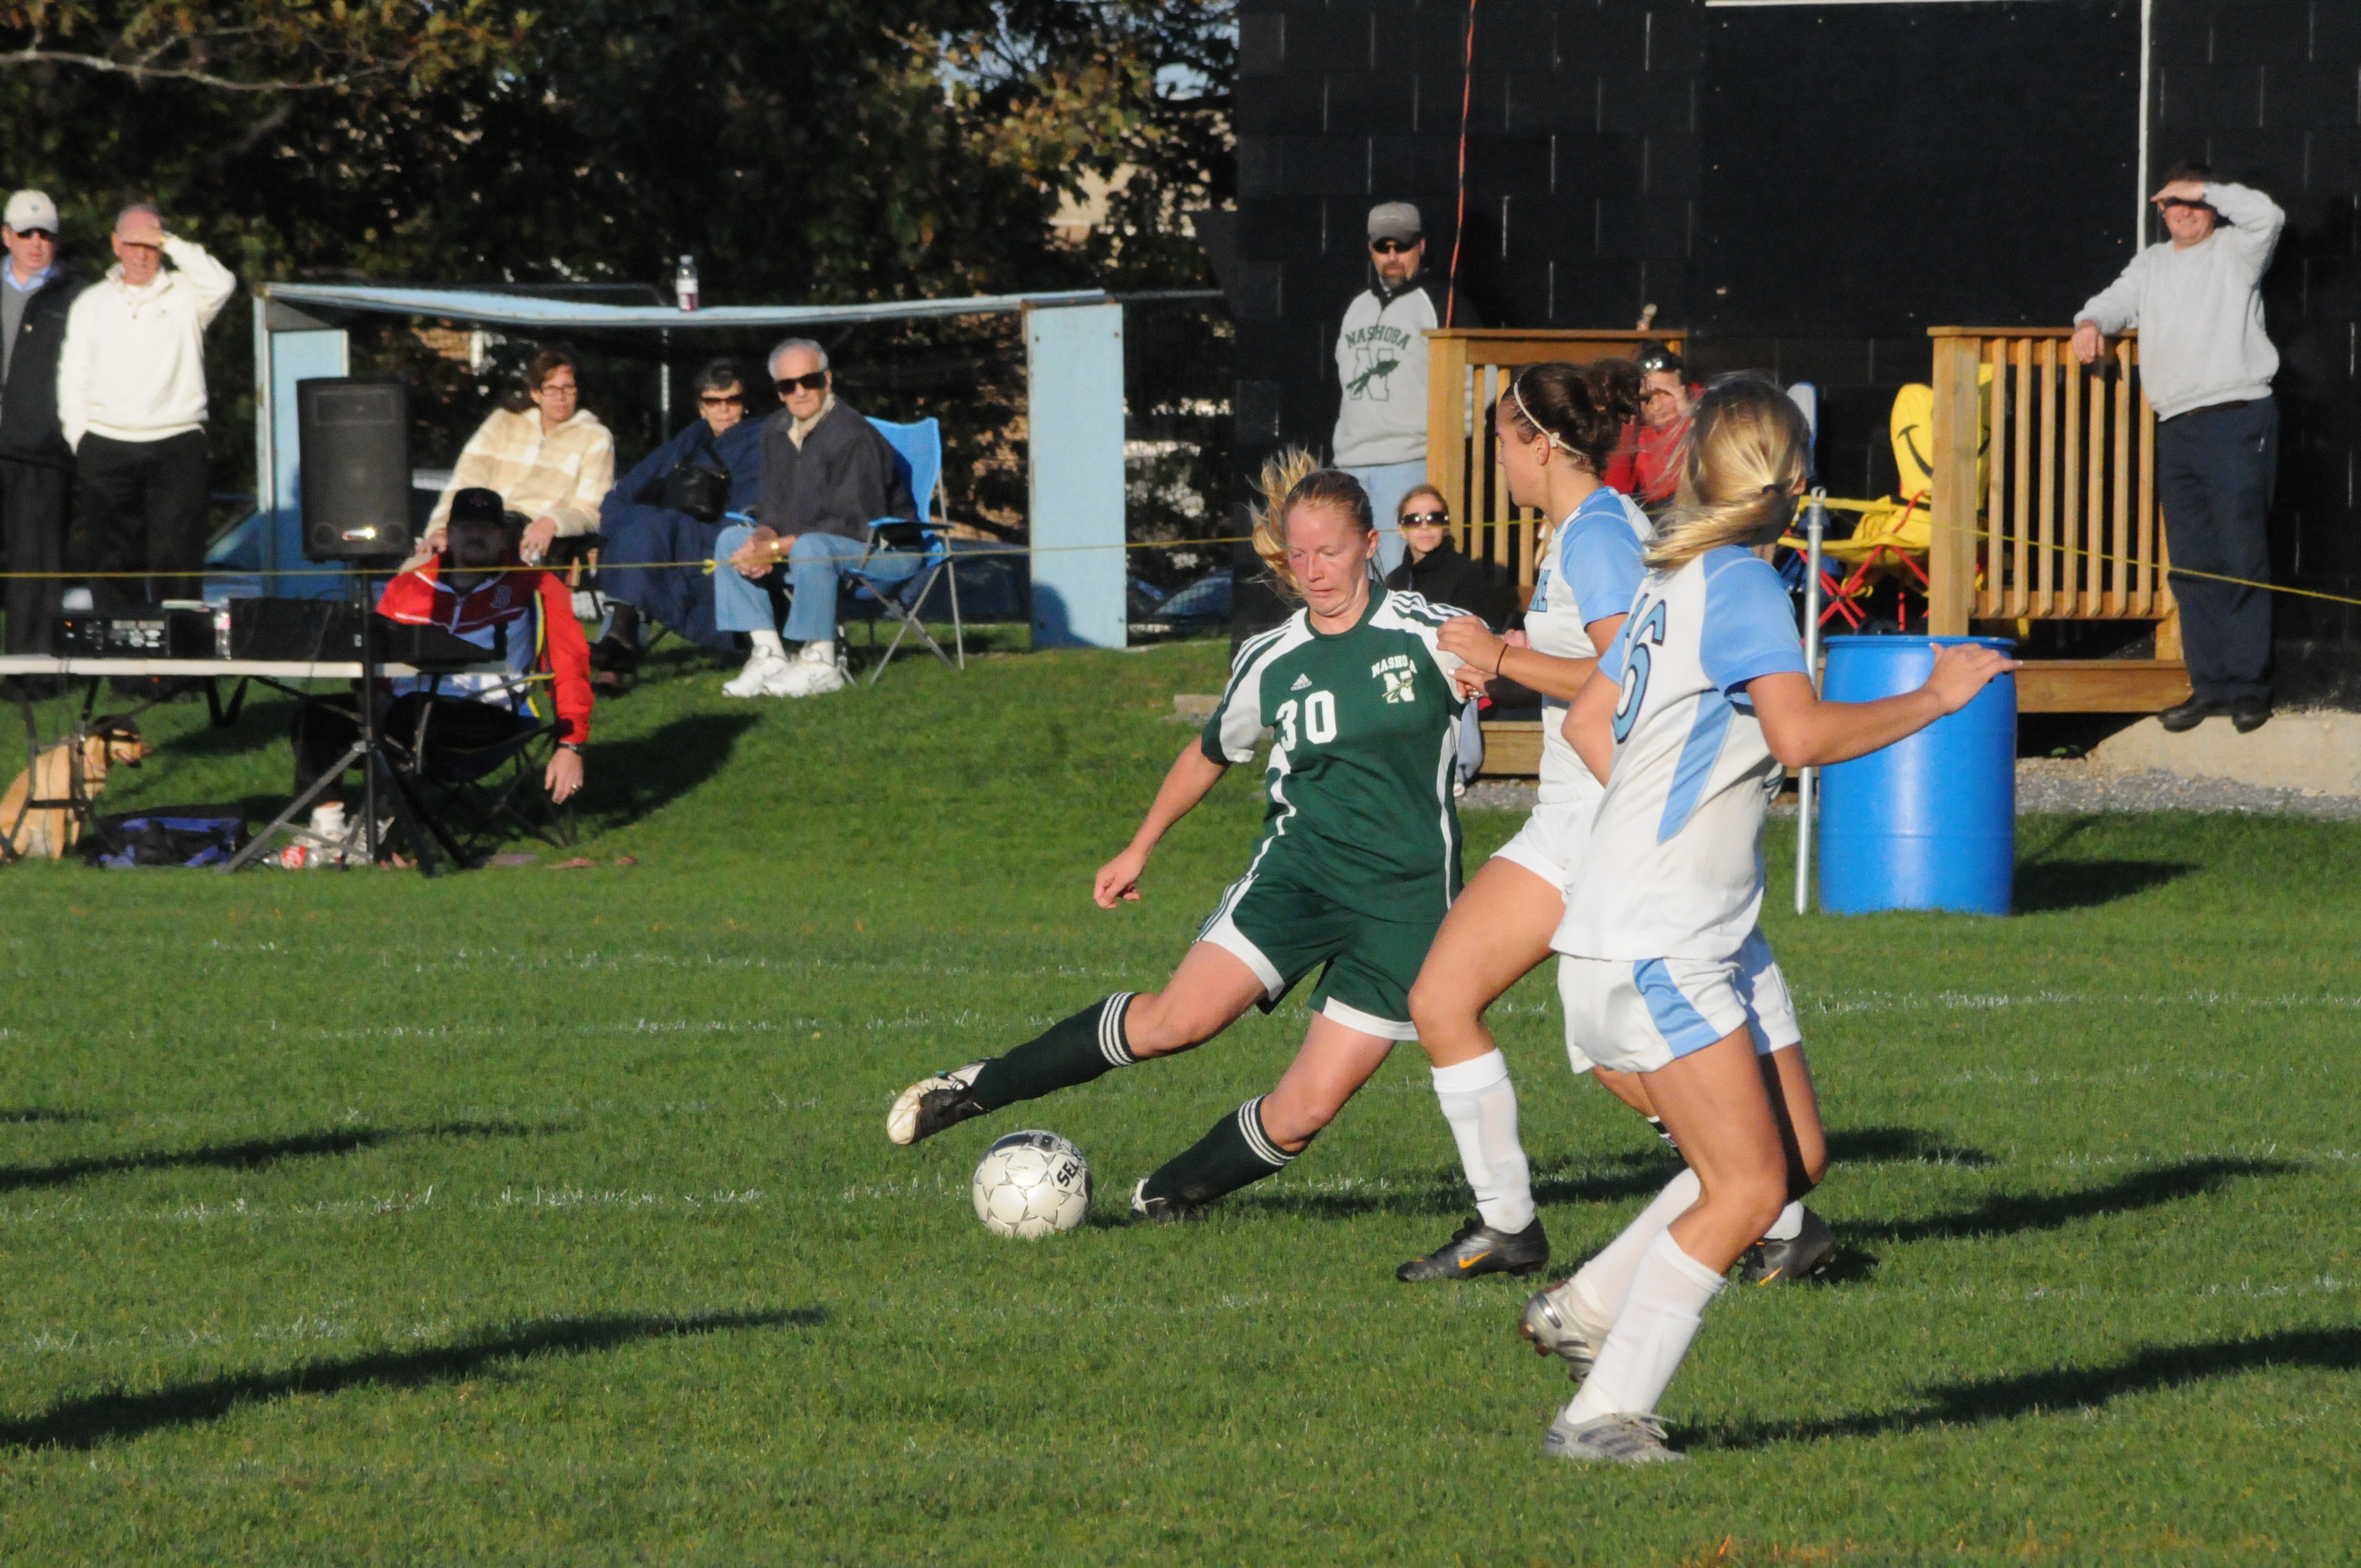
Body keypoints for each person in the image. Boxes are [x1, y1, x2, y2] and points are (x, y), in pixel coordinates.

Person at [1528, 378, 2014, 1464]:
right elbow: (1796, 739)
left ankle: (1586, 1306)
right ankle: (1598, 1414)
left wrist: (1667, 829)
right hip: (1659, 932)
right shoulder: (1741, 583)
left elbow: (1593, 727)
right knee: (1748, 1185)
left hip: (1657, 920)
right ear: (1794, 483)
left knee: (1783, 1157)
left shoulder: (1674, 577)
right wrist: (1936, 697)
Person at [884, 458, 1475, 1223]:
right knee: (1177, 1022)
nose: (1312, 571)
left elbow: (1542, 671)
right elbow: (1208, 753)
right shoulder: (1271, 657)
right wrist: (1140, 847)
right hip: (1300, 877)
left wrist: (1501, 667)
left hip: (1407, 904)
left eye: (1329, 552)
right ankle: (974, 1088)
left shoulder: (1437, 634)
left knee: (1305, 1109)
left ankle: (1167, 1195)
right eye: (1298, 554)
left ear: (1370, 544)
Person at [1395, 360, 1831, 1292]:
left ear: (1540, 444)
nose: (1495, 462)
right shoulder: (1581, 530)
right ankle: (1533, 1222)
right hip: (1574, 812)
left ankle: (1762, 1206)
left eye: (1500, 442)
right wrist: (1506, 658)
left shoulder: (1596, 532)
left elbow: (1622, 686)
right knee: (1462, 1005)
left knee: (1588, 1038)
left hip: (1598, 820)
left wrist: (1501, 656)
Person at [2072, 161, 2284, 734]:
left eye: (2192, 201)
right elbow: (2114, 300)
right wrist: (2090, 322)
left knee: (2241, 554)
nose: (2183, 212)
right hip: (2175, 424)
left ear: (2210, 204)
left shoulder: (2235, 250)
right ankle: (2209, 684)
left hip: (2236, 416)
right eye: (2171, 203)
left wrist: (2204, 188)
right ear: (2160, 212)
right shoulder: (2152, 263)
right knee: (2191, 562)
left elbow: (2268, 215)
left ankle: (2248, 688)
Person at [289, 487, 590, 851]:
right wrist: (375, 697)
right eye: (465, 528)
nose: (475, 536)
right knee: (317, 715)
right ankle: (327, 831)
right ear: (448, 534)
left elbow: (570, 664)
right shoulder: (409, 586)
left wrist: (570, 745)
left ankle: (379, 829)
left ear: (501, 536)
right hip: (403, 709)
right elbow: (375, 653)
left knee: (412, 713)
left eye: (486, 529)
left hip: (490, 714)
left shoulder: (537, 585)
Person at [711, 337, 918, 699]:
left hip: (883, 553)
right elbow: (770, 509)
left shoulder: (854, 435)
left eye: (810, 381)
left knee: (812, 548)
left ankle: (822, 662)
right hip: (807, 548)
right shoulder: (774, 431)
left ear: (828, 380)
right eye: (788, 385)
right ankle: (768, 654)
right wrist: (761, 541)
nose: (800, 392)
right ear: (779, 391)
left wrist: (777, 548)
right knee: (731, 540)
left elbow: (854, 523)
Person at [55, 203, 235, 610]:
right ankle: (122, 653)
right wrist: (80, 438)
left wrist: (170, 241)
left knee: (177, 557)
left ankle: (180, 651)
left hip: (177, 442)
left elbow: (222, 283)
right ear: (116, 245)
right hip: (106, 444)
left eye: (151, 245)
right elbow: (72, 375)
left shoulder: (188, 295)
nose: (141, 254)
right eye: (133, 244)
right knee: (113, 562)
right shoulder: (91, 303)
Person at [1332, 201, 1479, 574]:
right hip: (1351, 463)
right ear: (1371, 249)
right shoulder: (1356, 307)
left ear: (1421, 246)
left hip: (1409, 463)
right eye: (1383, 247)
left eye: (1403, 246)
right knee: (1352, 574)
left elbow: (1482, 377)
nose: (1393, 257)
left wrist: (1449, 437)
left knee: (1400, 573)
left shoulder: (1442, 302)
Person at [592, 357, 763, 672]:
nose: (724, 410)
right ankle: (618, 646)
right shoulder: (692, 437)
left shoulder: (760, 439)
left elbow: (753, 504)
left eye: (733, 400)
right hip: (672, 535)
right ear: (701, 407)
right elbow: (629, 489)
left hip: (727, 537)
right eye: (714, 402)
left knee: (645, 531)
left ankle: (618, 642)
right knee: (637, 528)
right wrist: (613, 526)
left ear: (745, 403)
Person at [426, 346, 614, 568]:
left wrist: (554, 522)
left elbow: (593, 509)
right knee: (420, 568)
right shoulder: (502, 424)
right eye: (551, 389)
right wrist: (440, 530)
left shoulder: (595, 438)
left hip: (532, 534)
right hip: (483, 523)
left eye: (568, 388)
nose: (560, 397)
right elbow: (463, 484)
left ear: (578, 391)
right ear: (535, 393)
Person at [0, 190, 83, 657]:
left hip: (40, 449)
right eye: (26, 233)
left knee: (35, 566)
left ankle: (32, 671)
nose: (36, 243)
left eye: (45, 234)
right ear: (6, 236)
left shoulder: (76, 297)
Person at [1602, 343, 1698, 512]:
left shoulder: (1708, 419)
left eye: (1666, 393)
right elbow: (1614, 491)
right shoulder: (1637, 432)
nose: (1657, 406)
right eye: (1647, 398)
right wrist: (1628, 428)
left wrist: (1688, 417)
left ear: (1685, 392)